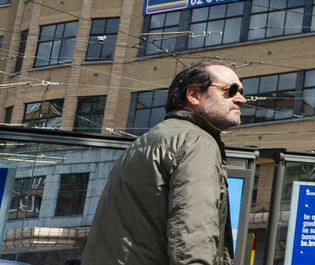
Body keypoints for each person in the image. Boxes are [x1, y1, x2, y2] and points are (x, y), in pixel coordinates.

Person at [83, 61, 245, 265]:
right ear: (194, 95)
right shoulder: (197, 142)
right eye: (230, 90)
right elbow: (194, 232)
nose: (241, 99)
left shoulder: (144, 142)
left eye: (241, 91)